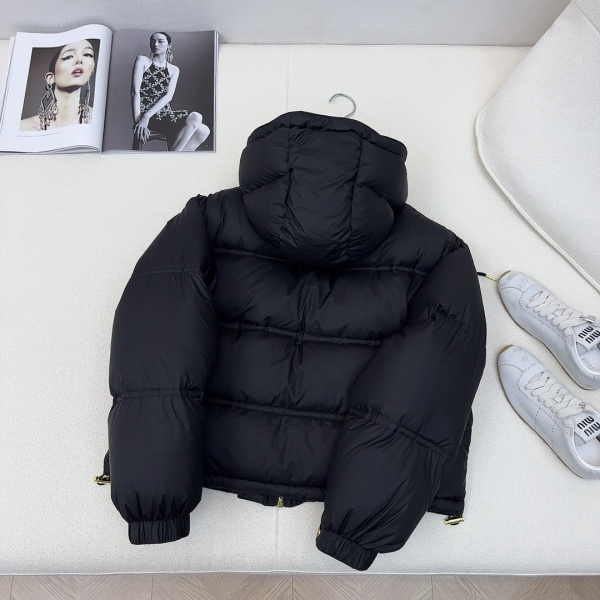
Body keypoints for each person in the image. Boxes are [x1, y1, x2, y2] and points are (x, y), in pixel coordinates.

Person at [131, 32, 210, 151]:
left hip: (165, 115)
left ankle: (172, 157)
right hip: (145, 116)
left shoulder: (174, 69)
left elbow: (168, 96)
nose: (155, 44)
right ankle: (172, 158)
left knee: (204, 130)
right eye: (153, 41)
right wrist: (139, 121)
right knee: (196, 117)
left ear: (169, 45)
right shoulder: (142, 60)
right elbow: (134, 92)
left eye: (160, 41)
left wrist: (147, 116)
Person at [20, 39, 95, 131]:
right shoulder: (24, 128)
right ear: (51, 78)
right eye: (68, 56)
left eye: (87, 55)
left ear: (91, 72)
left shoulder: (99, 121)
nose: (79, 60)